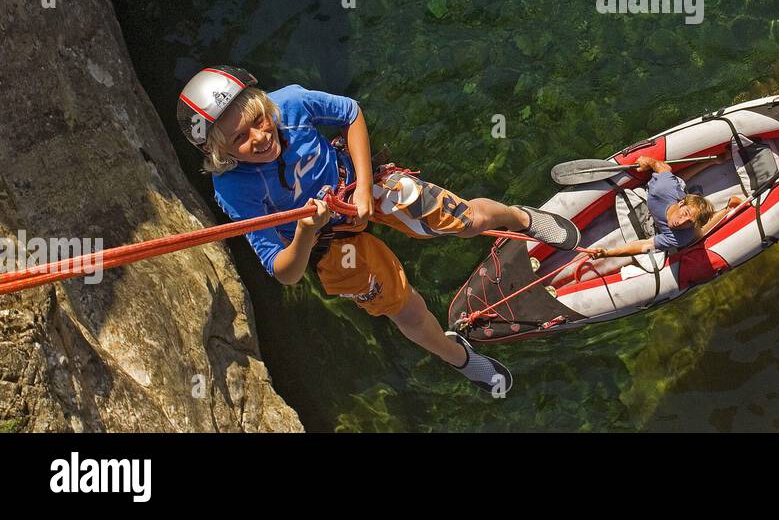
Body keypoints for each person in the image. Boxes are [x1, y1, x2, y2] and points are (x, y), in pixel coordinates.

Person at [176, 65, 579, 395]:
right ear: (219, 152)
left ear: (265, 105)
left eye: (259, 121)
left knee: (468, 222)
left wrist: (366, 189)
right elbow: (286, 272)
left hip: (356, 184)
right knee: (402, 305)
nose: (261, 137)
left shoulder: (292, 105)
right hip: (324, 241)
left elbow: (350, 113)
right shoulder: (233, 189)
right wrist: (305, 232)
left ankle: (516, 217)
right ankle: (455, 354)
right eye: (240, 139)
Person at [556, 155, 742, 284]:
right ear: (681, 203)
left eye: (689, 222)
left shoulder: (681, 235)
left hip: (681, 216)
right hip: (673, 191)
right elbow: (663, 167)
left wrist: (607, 253)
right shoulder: (664, 189)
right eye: (685, 215)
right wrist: (649, 161)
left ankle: (727, 208)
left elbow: (643, 245)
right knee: (679, 182)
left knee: (696, 236)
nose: (681, 222)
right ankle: (715, 162)